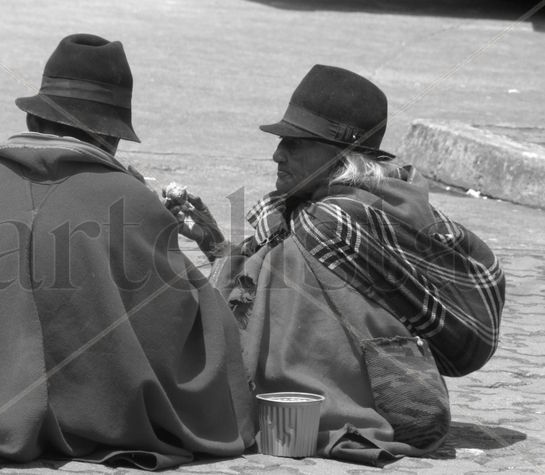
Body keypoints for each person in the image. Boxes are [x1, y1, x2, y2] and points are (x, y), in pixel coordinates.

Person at [0, 34, 254, 469]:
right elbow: (186, 327)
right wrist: (220, 254)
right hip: (99, 423)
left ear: (35, 121)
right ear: (112, 138)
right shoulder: (130, 201)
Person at [174, 65, 505, 466]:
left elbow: (252, 301)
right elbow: (264, 277)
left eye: (295, 143)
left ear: (342, 154)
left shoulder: (327, 222)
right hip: (403, 400)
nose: (278, 154)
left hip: (367, 412)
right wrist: (213, 241)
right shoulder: (376, 205)